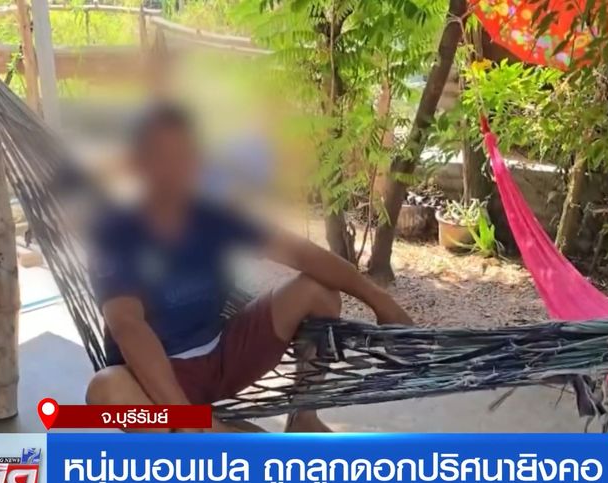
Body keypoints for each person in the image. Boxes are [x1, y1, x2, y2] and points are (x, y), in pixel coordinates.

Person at [84, 103, 413, 432]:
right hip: (153, 381)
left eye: (184, 155)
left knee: (317, 290)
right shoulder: (115, 232)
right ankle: (212, 435)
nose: (175, 169)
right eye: (161, 157)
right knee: (107, 390)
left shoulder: (214, 215)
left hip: (221, 356)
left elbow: (301, 253)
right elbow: (127, 325)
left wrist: (380, 300)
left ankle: (303, 418)